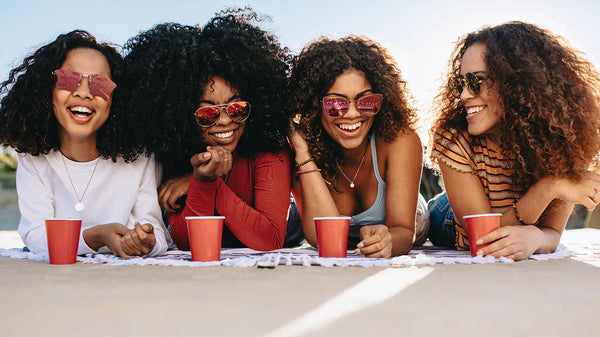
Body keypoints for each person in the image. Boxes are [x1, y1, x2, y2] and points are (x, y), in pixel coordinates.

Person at [121, 13, 301, 251]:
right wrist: (203, 180)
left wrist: (205, 183)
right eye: (208, 114)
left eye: (237, 108)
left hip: (285, 232)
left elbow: (270, 239)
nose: (226, 120)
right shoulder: (176, 152)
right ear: (182, 115)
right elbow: (187, 242)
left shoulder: (269, 148)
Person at [428, 21, 600, 261]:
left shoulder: (565, 140)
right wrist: (549, 186)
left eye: (476, 81)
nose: (464, 95)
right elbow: (483, 238)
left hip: (505, 211)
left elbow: (551, 233)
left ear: (519, 84)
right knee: (423, 220)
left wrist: (536, 237)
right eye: (461, 84)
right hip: (447, 216)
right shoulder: (454, 138)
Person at [0, 30, 171, 257]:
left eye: (100, 84)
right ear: (46, 88)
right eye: (68, 79)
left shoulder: (139, 158)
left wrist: (147, 241)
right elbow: (35, 235)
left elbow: (156, 232)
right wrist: (95, 236)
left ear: (117, 98)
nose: (84, 93)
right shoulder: (33, 158)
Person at [289, 36, 429, 259]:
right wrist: (303, 153)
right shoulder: (302, 148)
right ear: (314, 105)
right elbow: (320, 238)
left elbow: (404, 232)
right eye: (336, 104)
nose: (353, 113)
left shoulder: (399, 141)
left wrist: (388, 240)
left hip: (416, 218)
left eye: (366, 101)